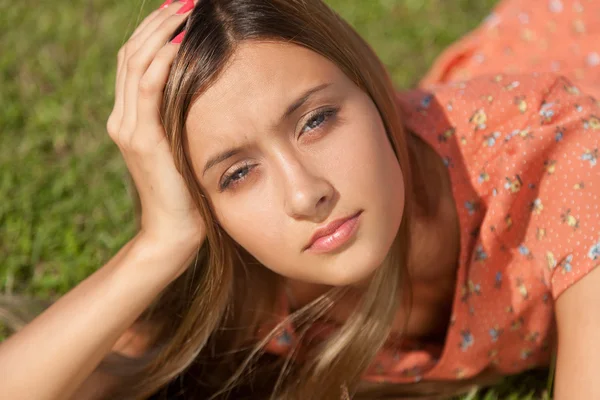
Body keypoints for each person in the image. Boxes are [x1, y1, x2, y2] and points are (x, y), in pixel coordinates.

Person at [1, 0, 599, 399]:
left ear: (372, 84)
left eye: (315, 121)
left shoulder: (558, 160)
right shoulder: (252, 274)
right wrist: (159, 248)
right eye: (236, 174)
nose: (305, 193)